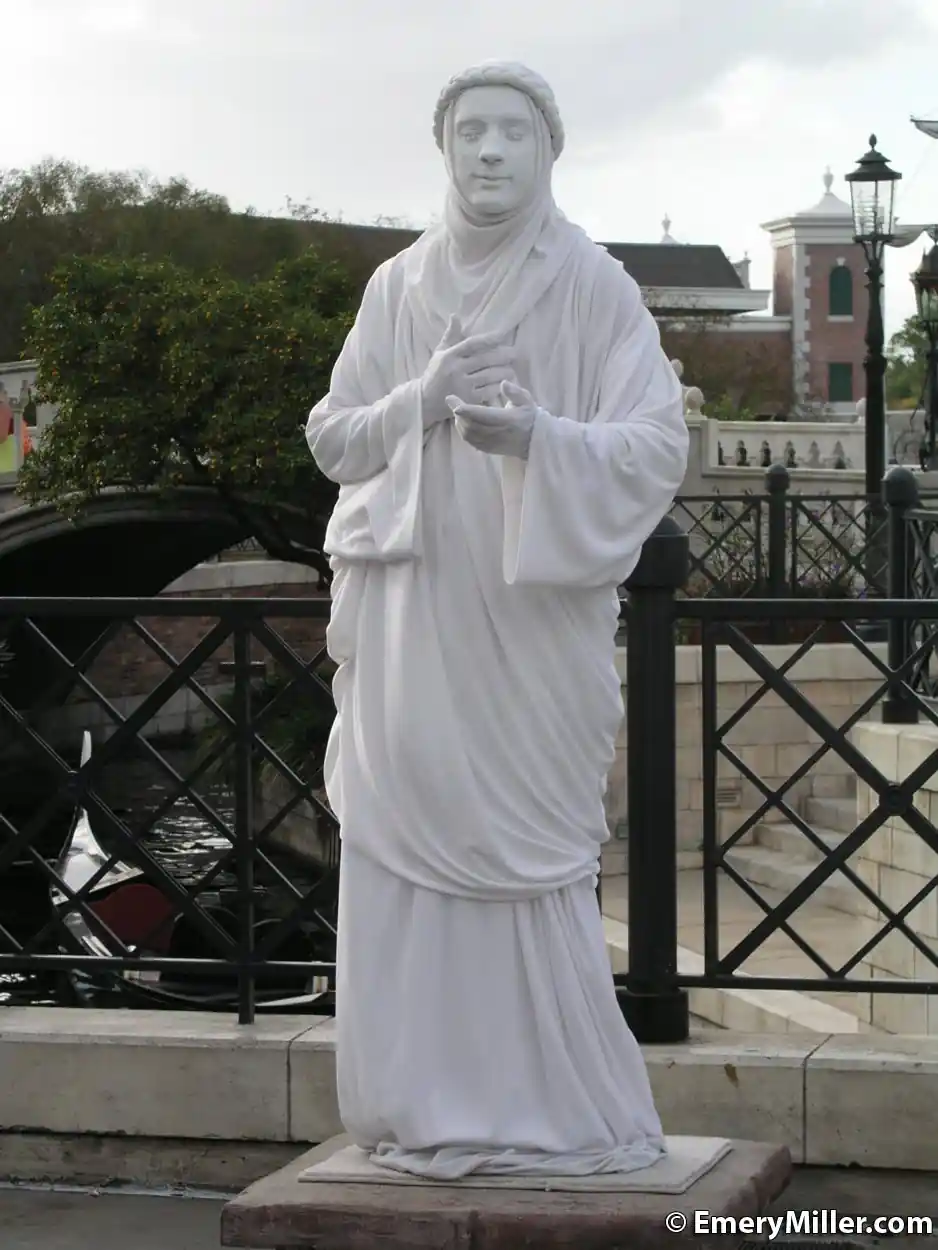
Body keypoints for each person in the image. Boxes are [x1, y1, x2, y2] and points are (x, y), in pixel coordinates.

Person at [306, 61, 689, 1181]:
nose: (487, 151)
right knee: (411, 843)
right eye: (469, 131)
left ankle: (550, 1097)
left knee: (529, 855)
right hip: (416, 615)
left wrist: (537, 442)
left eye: (511, 132)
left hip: (530, 624)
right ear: (444, 148)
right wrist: (420, 399)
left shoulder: (595, 287)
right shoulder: (398, 288)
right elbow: (332, 437)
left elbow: (656, 440)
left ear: (547, 148)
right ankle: (422, 1095)